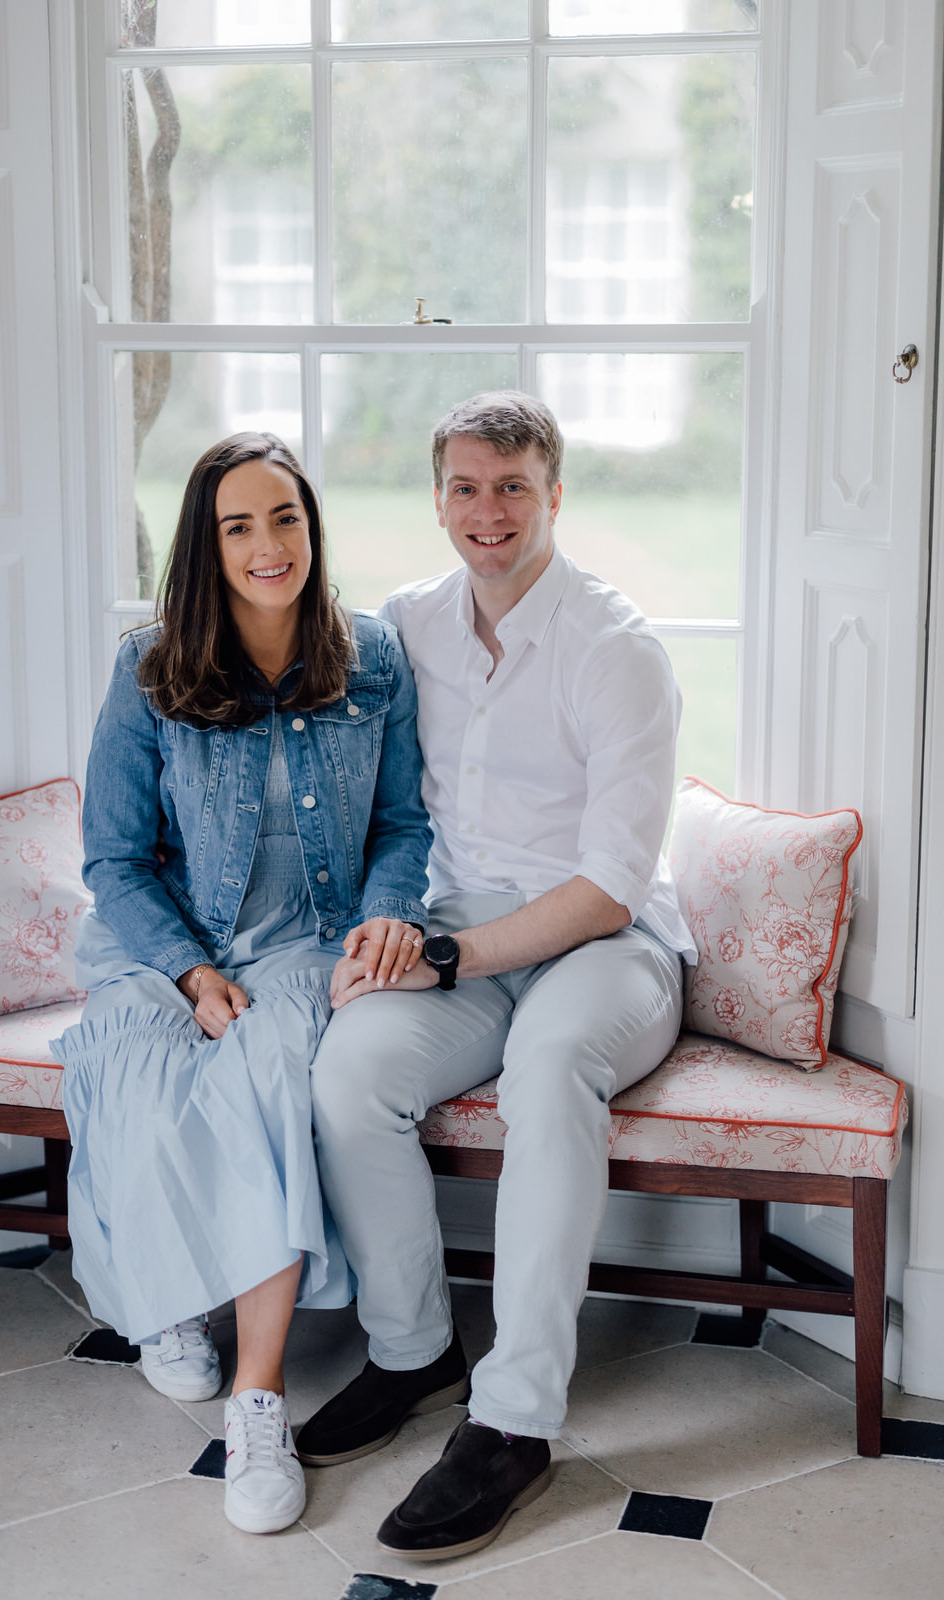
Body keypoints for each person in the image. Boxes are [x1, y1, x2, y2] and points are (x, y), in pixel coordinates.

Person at [299, 392, 696, 1560]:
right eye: (465, 487)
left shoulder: (615, 648)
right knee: (351, 1070)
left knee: (551, 1063)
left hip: (602, 949)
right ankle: (414, 1352)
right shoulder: (406, 625)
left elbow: (613, 885)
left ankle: (513, 1421)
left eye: (512, 486)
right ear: (436, 499)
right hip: (456, 933)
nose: (488, 511)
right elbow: (375, 801)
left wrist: (448, 955)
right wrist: (391, 934)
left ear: (554, 494)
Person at [51, 433, 431, 1537]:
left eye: (286, 518)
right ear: (205, 547)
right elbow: (112, 860)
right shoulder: (147, 666)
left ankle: (253, 1396)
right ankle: (172, 1298)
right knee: (134, 1061)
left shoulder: (371, 658)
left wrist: (390, 912)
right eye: (239, 524)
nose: (269, 545)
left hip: (308, 939)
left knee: (267, 1068)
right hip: (165, 938)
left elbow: (404, 824)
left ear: (312, 527)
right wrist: (186, 967)